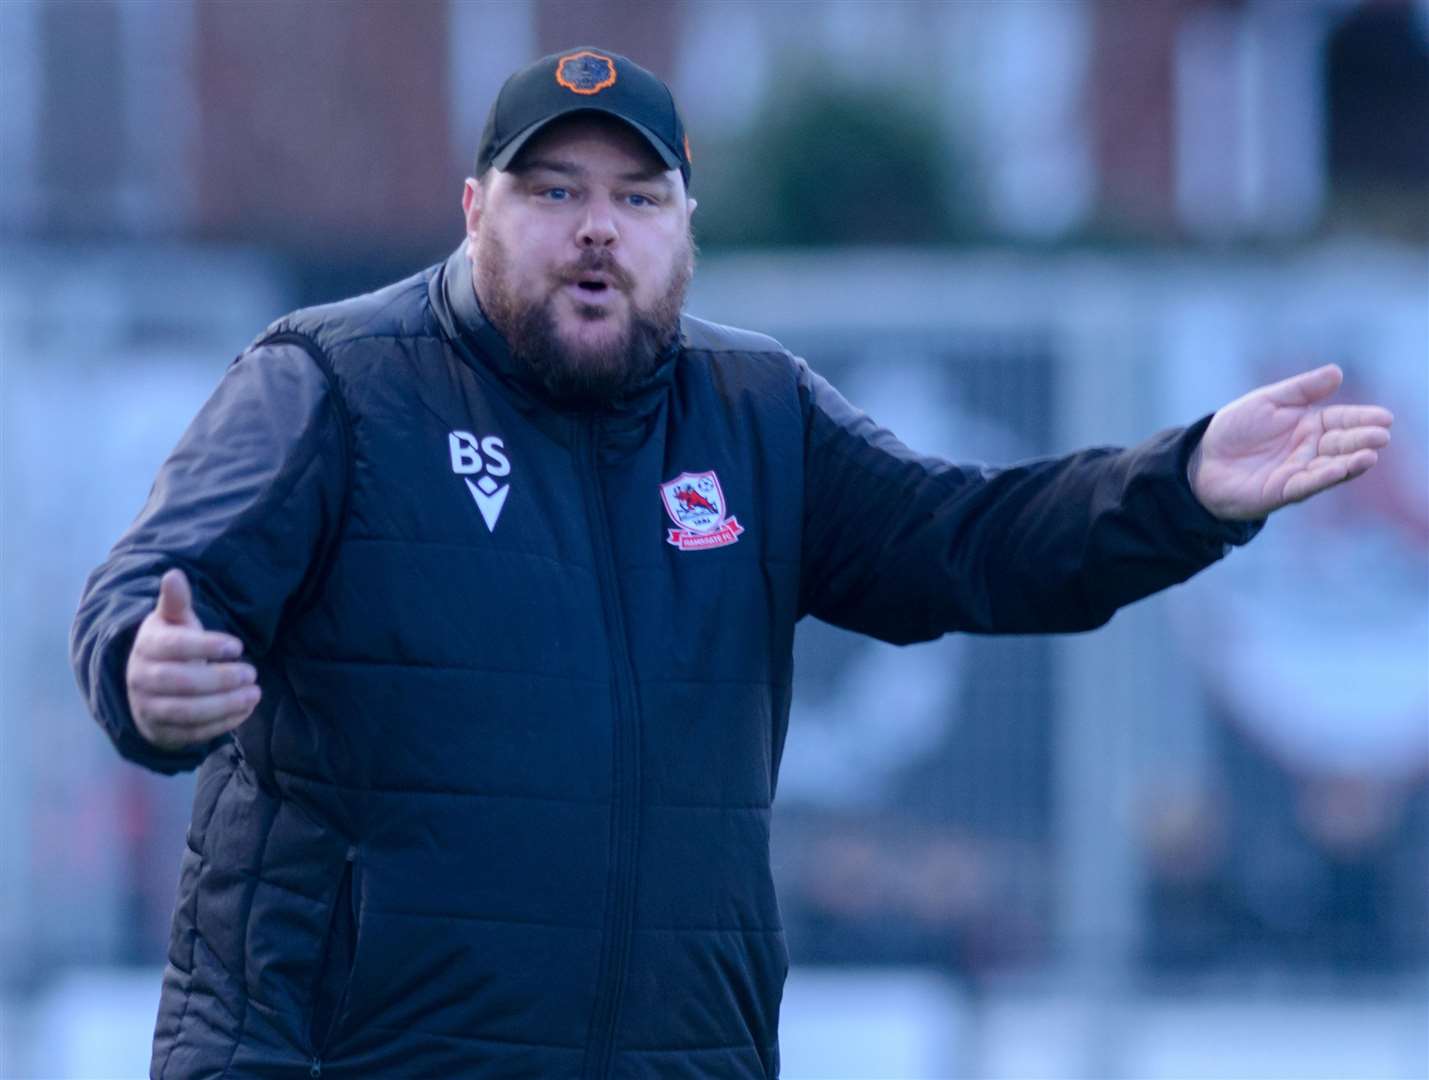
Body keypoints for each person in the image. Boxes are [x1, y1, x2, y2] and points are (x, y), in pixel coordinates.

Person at [71, 46, 1393, 1080]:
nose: (598, 229)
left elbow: (968, 542)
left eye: (635, 198)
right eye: (554, 193)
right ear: (475, 210)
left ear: (682, 225)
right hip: (344, 1059)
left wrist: (1181, 488)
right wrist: (147, 675)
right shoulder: (335, 384)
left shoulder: (756, 412)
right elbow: (152, 593)